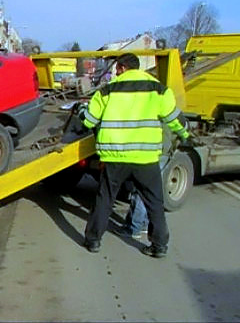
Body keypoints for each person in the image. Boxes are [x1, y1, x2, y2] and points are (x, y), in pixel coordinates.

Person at [77, 53, 191, 258]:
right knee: (154, 202)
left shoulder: (107, 90)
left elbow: (89, 120)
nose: (114, 72)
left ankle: (93, 240)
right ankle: (159, 246)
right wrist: (185, 134)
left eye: (116, 68)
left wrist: (81, 111)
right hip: (145, 158)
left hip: (115, 156)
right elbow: (175, 118)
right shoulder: (158, 89)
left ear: (121, 68)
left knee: (105, 199)